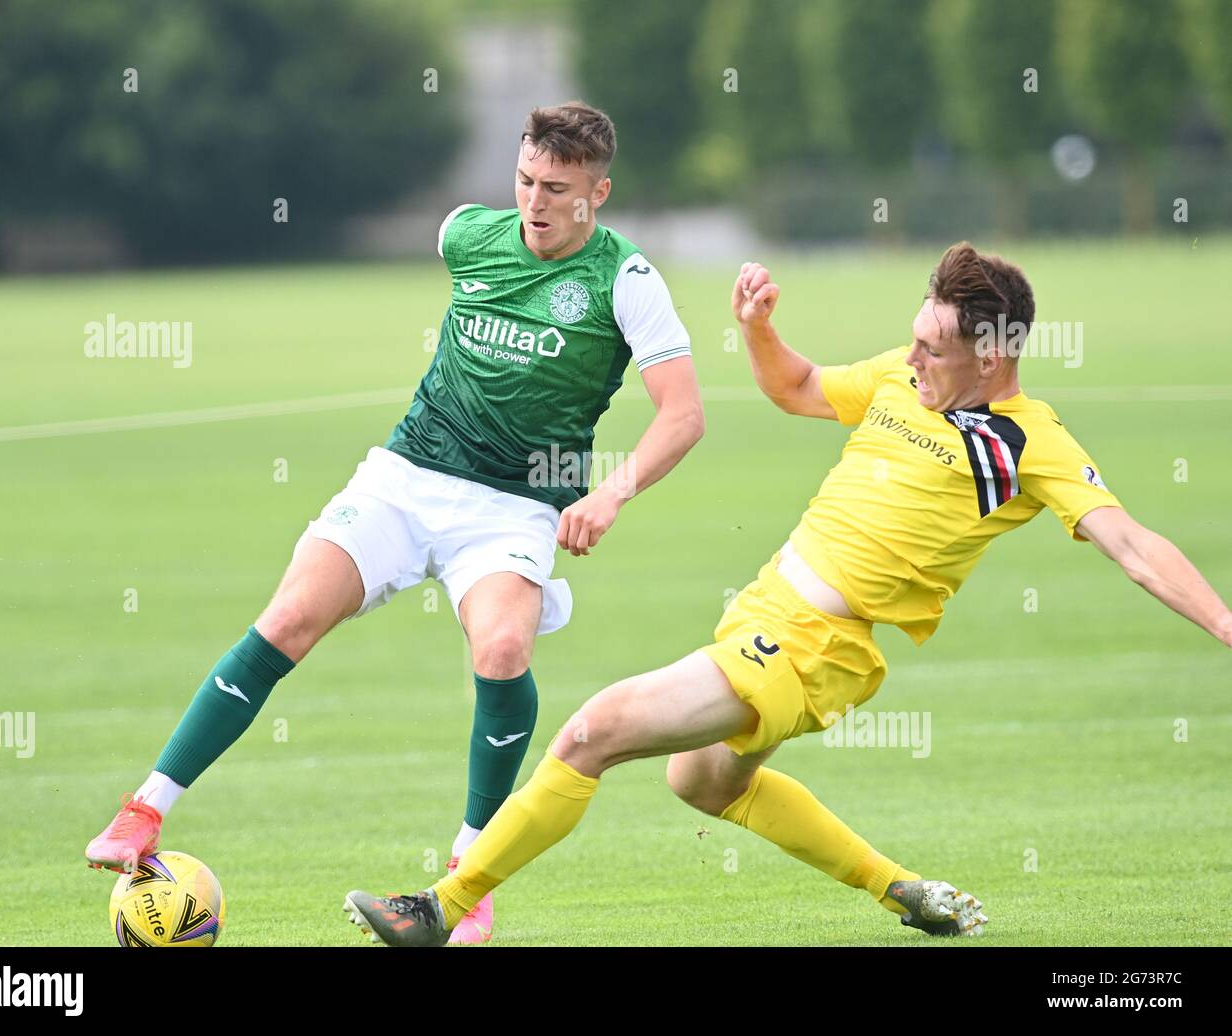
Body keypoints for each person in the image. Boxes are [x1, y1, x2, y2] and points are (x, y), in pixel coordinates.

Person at [346, 242, 1232, 945]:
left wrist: (1224, 623)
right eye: (915, 335)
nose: (915, 353)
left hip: (815, 649)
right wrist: (759, 328)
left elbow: (1133, 544)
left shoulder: (1024, 442)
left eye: (934, 346)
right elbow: (800, 389)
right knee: (700, 784)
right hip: (762, 615)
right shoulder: (902, 376)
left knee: (592, 732)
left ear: (993, 356)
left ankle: (442, 906)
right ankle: (902, 890)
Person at [85, 101, 705, 946]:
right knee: (289, 619)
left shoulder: (624, 280)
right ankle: (143, 811)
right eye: (525, 181)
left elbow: (682, 415)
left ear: (600, 191)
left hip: (515, 505)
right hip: (406, 478)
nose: (535, 202)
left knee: (502, 650)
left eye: (557, 189)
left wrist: (608, 492)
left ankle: (468, 874)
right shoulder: (464, 235)